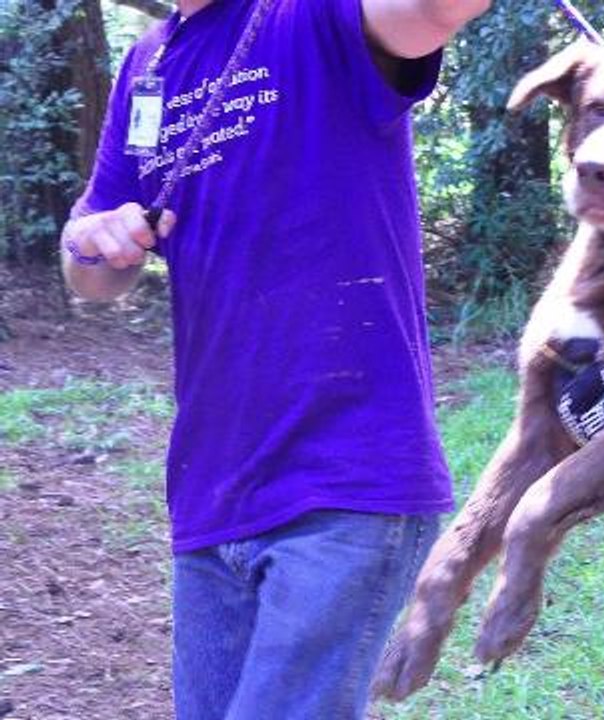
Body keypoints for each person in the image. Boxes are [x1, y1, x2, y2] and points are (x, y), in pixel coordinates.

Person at [59, 0, 489, 716]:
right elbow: (90, 273)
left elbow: (433, 9)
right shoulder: (147, 66)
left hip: (345, 479)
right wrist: (95, 239)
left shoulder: (314, 14)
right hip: (211, 494)